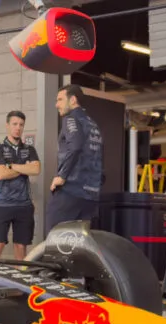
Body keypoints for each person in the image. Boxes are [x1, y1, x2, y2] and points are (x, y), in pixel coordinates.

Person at [45, 84, 103, 236]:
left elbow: (75, 146)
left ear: (73, 100)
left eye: (60, 100)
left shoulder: (71, 118)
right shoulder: (92, 124)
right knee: (78, 243)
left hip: (71, 191)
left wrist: (61, 176)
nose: (56, 105)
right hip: (90, 196)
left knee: (55, 238)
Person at [0, 110, 41, 260]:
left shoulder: (29, 149)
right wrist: (24, 168)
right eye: (15, 124)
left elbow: (36, 169)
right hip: (1, 204)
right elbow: (0, 173)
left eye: (21, 125)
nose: (18, 127)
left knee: (21, 247)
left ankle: (20, 275)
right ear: (7, 125)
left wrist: (11, 166)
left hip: (24, 205)